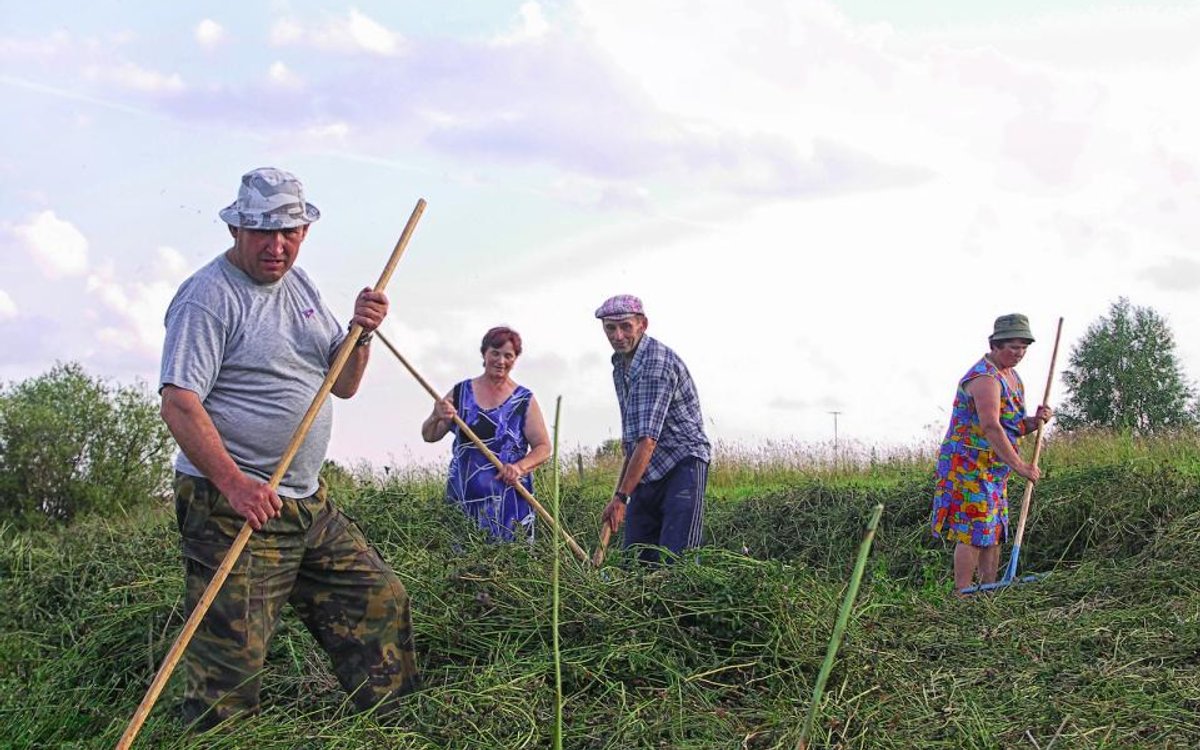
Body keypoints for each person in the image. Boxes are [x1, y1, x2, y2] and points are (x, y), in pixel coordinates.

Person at [158, 167, 420, 728]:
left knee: (377, 599)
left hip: (304, 502)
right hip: (231, 506)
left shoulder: (299, 285)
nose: (277, 246)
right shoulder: (208, 299)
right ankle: (215, 736)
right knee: (229, 663)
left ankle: (394, 729)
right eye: (263, 232)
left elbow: (342, 383)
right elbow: (179, 403)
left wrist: (361, 334)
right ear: (236, 229)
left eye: (290, 232)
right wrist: (236, 485)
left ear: (304, 232)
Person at [931, 313, 1053, 594]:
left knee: (994, 529)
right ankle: (962, 593)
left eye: (1024, 347)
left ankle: (989, 589)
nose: (1019, 353)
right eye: (1013, 347)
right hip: (968, 465)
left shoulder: (1012, 377)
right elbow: (990, 426)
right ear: (995, 345)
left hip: (995, 467)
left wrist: (1036, 422)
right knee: (973, 530)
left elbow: (1012, 427)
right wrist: (1021, 466)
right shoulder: (985, 378)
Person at [595, 295, 711, 564]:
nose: (618, 335)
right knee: (636, 560)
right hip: (648, 467)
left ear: (642, 324)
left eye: (625, 326)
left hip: (682, 463)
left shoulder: (656, 364)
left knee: (677, 559)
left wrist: (621, 497)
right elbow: (633, 439)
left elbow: (647, 440)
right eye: (610, 328)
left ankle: (679, 590)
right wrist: (619, 495)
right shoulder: (619, 366)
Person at [421, 326, 551, 541]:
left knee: (511, 556)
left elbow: (543, 447)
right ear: (484, 354)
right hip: (463, 500)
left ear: (515, 359)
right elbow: (429, 435)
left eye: (508, 356)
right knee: (462, 556)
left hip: (510, 503)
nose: (501, 361)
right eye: (495, 353)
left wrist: (519, 468)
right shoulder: (461, 392)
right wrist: (436, 415)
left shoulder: (523, 399)